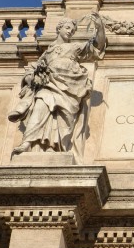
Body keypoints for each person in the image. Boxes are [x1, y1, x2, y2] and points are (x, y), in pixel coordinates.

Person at [9, 16, 106, 160]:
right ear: (59, 28)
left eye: (72, 31)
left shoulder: (74, 47)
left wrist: (100, 28)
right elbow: (31, 72)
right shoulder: (47, 52)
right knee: (40, 108)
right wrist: (34, 77)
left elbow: (97, 46)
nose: (70, 32)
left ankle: (54, 146)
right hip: (48, 84)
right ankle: (27, 142)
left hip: (69, 87)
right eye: (67, 28)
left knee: (62, 118)